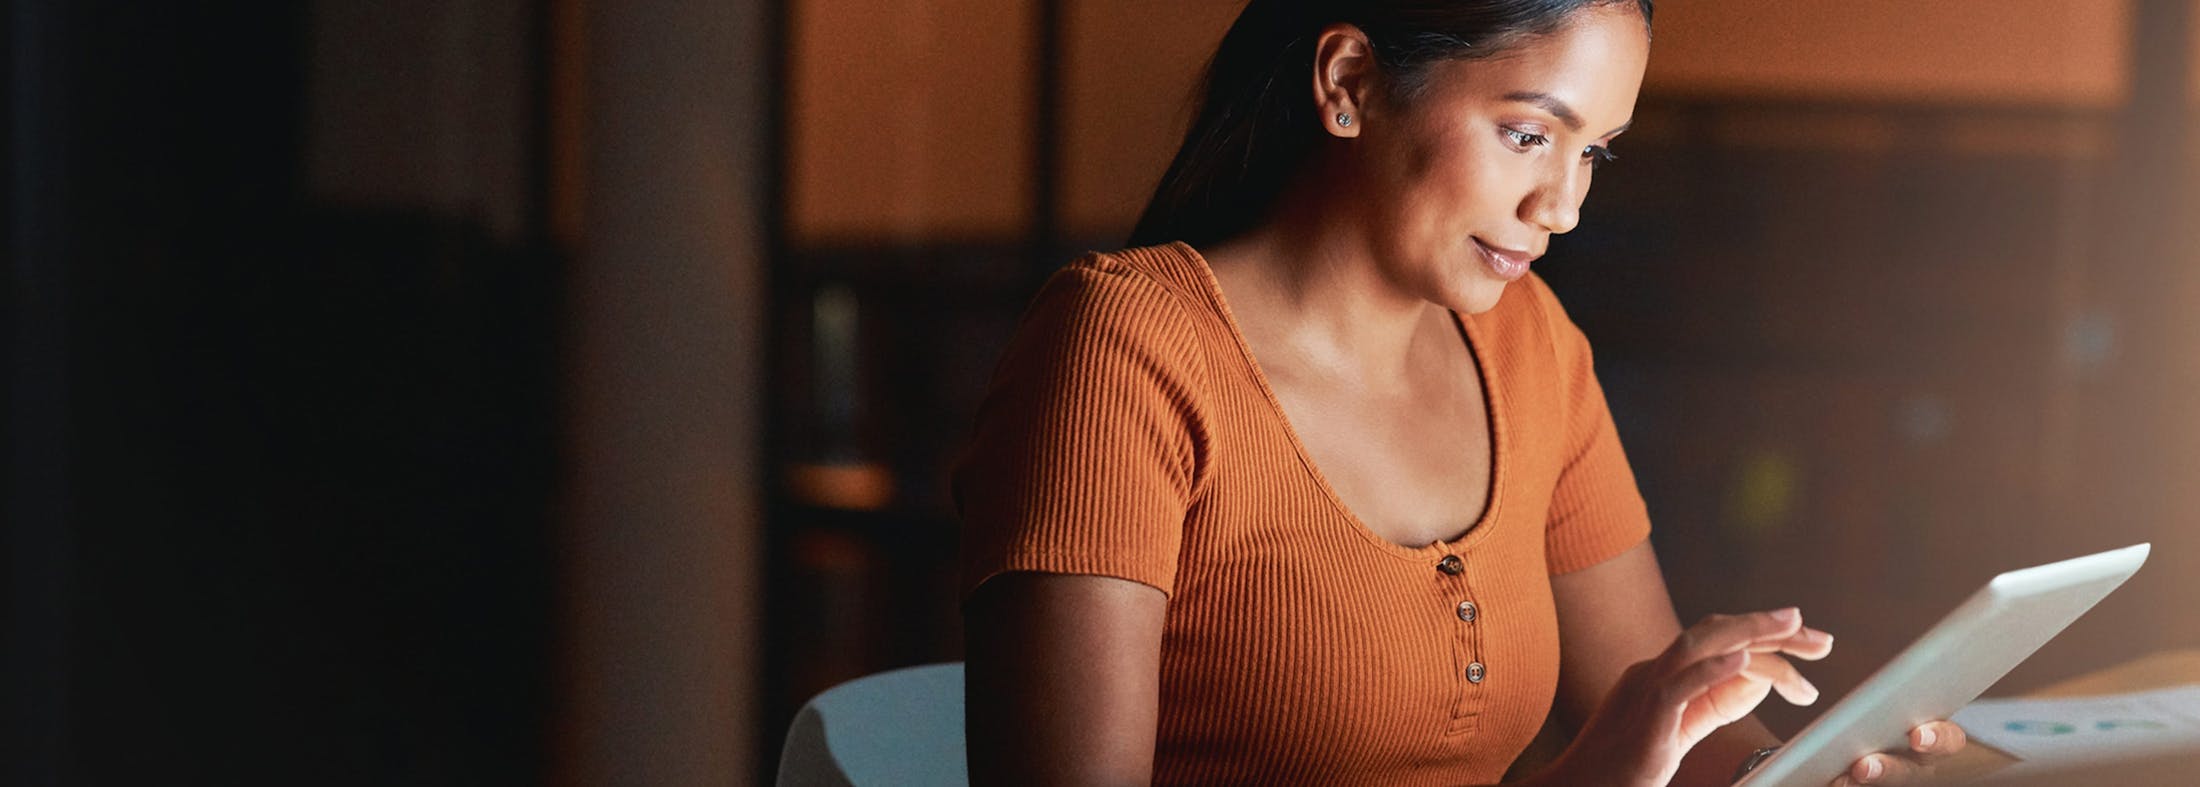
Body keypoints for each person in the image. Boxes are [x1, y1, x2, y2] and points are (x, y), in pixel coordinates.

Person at [952, 1, 1968, 784]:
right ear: (1349, 80)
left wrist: (1813, 767)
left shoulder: (1531, 349)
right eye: (1528, 135)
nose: (1561, 207)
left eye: (1593, 152)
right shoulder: (1124, 349)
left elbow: (1676, 737)